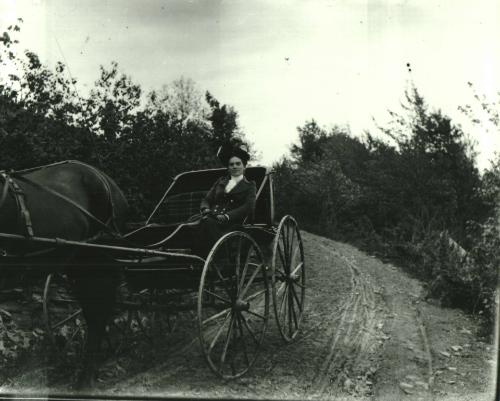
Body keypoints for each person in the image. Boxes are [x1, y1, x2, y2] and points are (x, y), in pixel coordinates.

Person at [192, 143, 256, 257]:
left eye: (238, 164)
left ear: (244, 166)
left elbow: (248, 207)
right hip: (211, 217)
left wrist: (227, 216)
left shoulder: (249, 186)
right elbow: (206, 199)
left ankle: (221, 261)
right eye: (231, 164)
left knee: (207, 223)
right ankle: (194, 258)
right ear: (228, 167)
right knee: (192, 223)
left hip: (230, 224)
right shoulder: (220, 182)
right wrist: (205, 209)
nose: (234, 166)